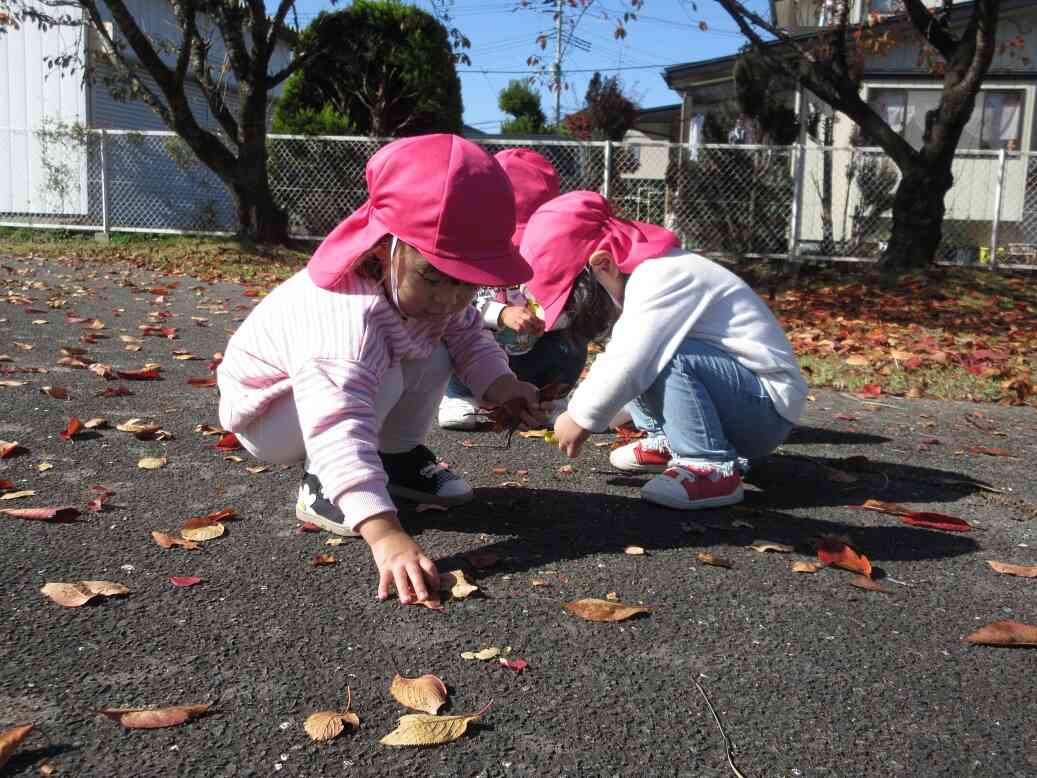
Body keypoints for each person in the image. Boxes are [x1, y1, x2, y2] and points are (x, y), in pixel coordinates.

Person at [217, 134, 543, 604]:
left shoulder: (429, 297)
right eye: (435, 276)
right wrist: (385, 533)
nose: (451, 297)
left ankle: (394, 457)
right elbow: (338, 420)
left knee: (436, 345)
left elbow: (470, 332)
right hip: (272, 417)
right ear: (380, 250)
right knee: (384, 368)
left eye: (468, 284)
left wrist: (504, 384)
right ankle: (326, 485)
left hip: (328, 399)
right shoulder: (346, 319)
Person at [520, 191, 808, 510]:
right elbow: (629, 365)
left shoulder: (661, 275)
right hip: (744, 400)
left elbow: (630, 360)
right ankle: (671, 442)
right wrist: (576, 414)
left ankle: (709, 467)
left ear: (604, 264)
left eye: (577, 297)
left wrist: (580, 417)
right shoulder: (651, 277)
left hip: (764, 411)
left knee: (657, 353)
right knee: (643, 350)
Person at [438, 147, 589, 430]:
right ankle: (460, 396)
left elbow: (575, 304)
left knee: (572, 340)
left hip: (532, 354)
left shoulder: (561, 256)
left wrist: (551, 317)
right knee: (456, 332)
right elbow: (463, 306)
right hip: (485, 356)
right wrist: (501, 313)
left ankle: (547, 398)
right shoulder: (472, 252)